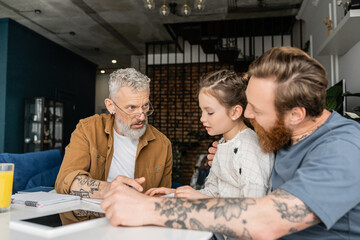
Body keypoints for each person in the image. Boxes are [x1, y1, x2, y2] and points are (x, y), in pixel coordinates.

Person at [100, 47, 360, 239]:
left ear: (295, 114)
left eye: (257, 110)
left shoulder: (344, 150)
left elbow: (268, 220)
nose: (247, 115)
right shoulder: (282, 136)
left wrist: (153, 208)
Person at [145, 70, 274, 200]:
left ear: (235, 112)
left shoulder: (248, 147)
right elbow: (213, 192)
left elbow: (254, 202)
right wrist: (176, 194)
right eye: (202, 111)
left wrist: (201, 197)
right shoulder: (223, 142)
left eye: (210, 112)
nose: (202, 118)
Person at [55, 68, 173, 198]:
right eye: (131, 107)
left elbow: (163, 198)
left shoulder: (162, 144)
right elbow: (65, 180)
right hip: (92, 216)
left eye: (145, 106)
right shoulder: (88, 130)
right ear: (111, 106)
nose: (142, 117)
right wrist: (108, 189)